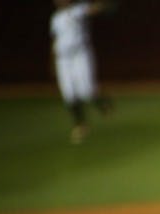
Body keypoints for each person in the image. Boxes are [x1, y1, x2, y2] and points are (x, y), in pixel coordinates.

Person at [49, 0, 114, 144]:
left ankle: (103, 104)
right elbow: (55, 41)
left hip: (79, 53)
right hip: (63, 58)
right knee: (68, 92)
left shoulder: (77, 10)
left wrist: (104, 6)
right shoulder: (55, 19)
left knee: (86, 89)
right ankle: (80, 124)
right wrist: (53, 61)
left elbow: (94, 9)